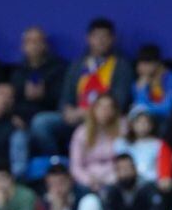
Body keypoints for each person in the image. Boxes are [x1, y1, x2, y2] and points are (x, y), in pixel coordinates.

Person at [34, 17, 133, 157]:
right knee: (41, 123)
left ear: (113, 39)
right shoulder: (77, 66)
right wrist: (67, 111)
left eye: (105, 37)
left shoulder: (122, 67)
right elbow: (65, 97)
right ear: (88, 38)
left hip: (105, 120)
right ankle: (58, 164)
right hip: (76, 119)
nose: (101, 41)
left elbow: (120, 101)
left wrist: (89, 113)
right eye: (96, 36)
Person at [10, 25, 65, 132]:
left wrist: (44, 95)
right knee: (16, 136)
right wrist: (13, 116)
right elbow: (13, 99)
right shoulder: (18, 71)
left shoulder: (59, 68)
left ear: (45, 45)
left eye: (37, 41)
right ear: (23, 46)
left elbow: (63, 99)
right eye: (29, 42)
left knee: (39, 123)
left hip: (47, 116)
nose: (33, 45)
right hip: (22, 119)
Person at [68, 93, 123, 190]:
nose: (105, 111)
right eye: (101, 107)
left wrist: (113, 178)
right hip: (88, 180)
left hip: (114, 179)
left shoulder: (121, 131)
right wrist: (88, 180)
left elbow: (124, 161)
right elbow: (75, 166)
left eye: (109, 107)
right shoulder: (81, 133)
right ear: (93, 110)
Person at [130, 44, 172, 122]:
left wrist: (146, 108)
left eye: (145, 63)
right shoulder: (139, 82)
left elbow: (168, 109)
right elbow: (140, 108)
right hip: (147, 123)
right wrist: (142, 90)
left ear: (156, 63)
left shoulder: (171, 79)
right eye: (140, 64)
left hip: (167, 122)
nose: (141, 67)